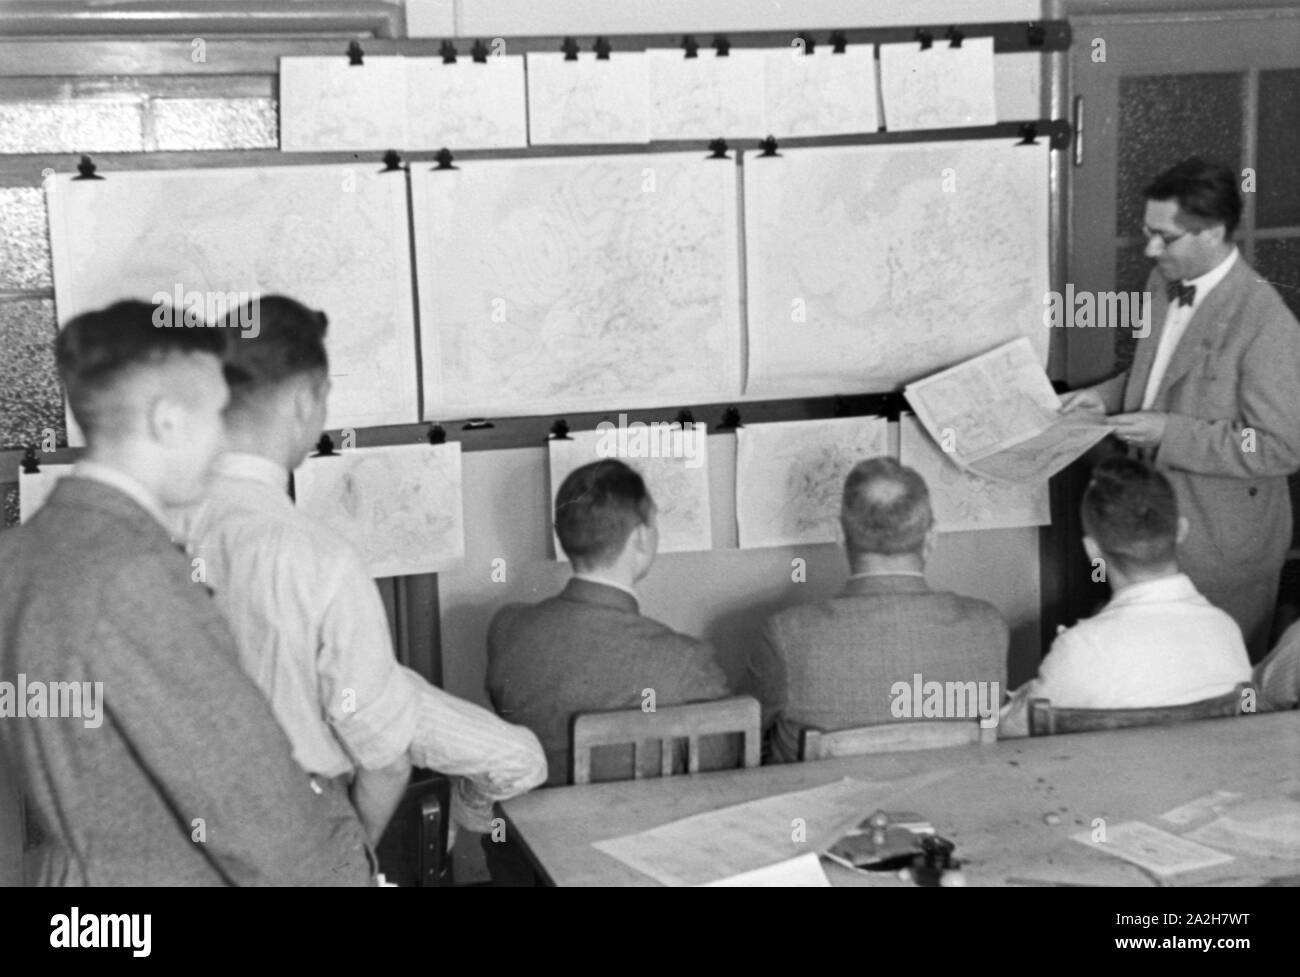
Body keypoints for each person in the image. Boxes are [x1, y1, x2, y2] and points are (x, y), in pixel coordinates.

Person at [0, 300, 371, 885]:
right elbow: (249, 807)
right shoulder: (134, 575)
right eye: (218, 414)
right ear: (168, 420)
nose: (225, 438)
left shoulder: (20, 553)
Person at [174, 296, 545, 845]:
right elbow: (386, 761)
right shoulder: (318, 561)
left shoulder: (141, 522)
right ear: (304, 399)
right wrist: (352, 860)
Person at [1061, 157, 1300, 661]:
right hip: (1148, 534)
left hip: (1221, 551)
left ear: (1212, 233)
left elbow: (1281, 447)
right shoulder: (1160, 282)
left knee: (1215, 697)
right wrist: (1104, 396)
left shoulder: (1267, 324)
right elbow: (1165, 372)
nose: (1150, 248)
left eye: (1164, 237)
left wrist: (1167, 432)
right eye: (1147, 232)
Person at [487, 459, 734, 786]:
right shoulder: (687, 662)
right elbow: (724, 775)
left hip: (525, 832)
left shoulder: (507, 629)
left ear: (562, 535)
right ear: (642, 538)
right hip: (640, 832)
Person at [748, 457, 1008, 763]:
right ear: (932, 536)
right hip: (954, 804)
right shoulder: (988, 626)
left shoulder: (786, 634)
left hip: (825, 809)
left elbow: (746, 735)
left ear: (838, 534)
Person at [1000, 458, 1252, 736]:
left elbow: (1010, 732)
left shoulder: (1078, 649)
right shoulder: (1225, 629)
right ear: (1181, 530)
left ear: (1092, 551)